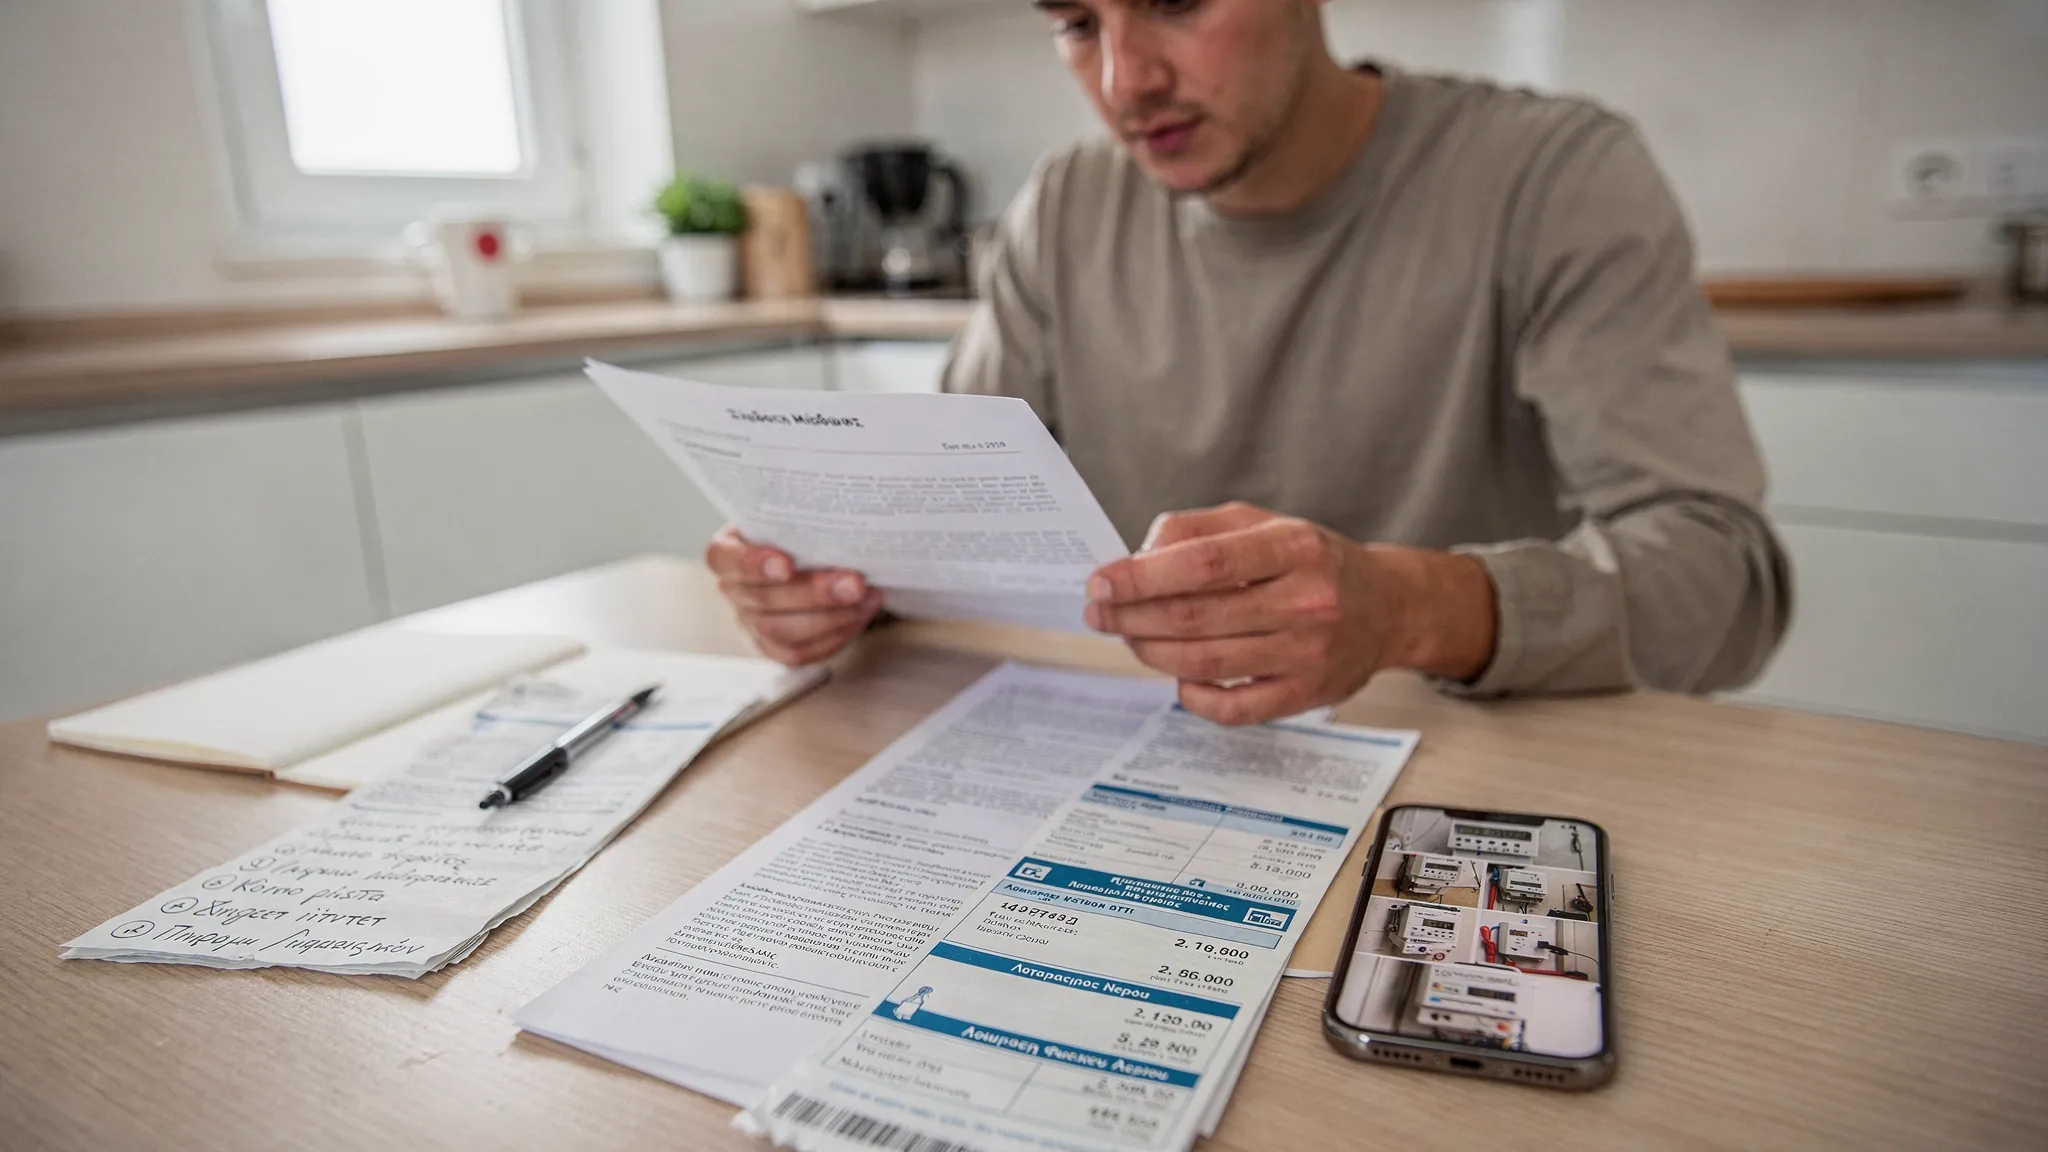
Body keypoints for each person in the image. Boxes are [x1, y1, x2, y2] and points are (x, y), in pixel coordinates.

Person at [706, 0, 1791, 725]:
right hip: (1153, 778)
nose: (1125, 80)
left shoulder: (1551, 176)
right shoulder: (1065, 210)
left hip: (1467, 777)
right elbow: (945, 519)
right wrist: (839, 584)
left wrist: (1408, 606)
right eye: (1077, 24)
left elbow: (1724, 584)